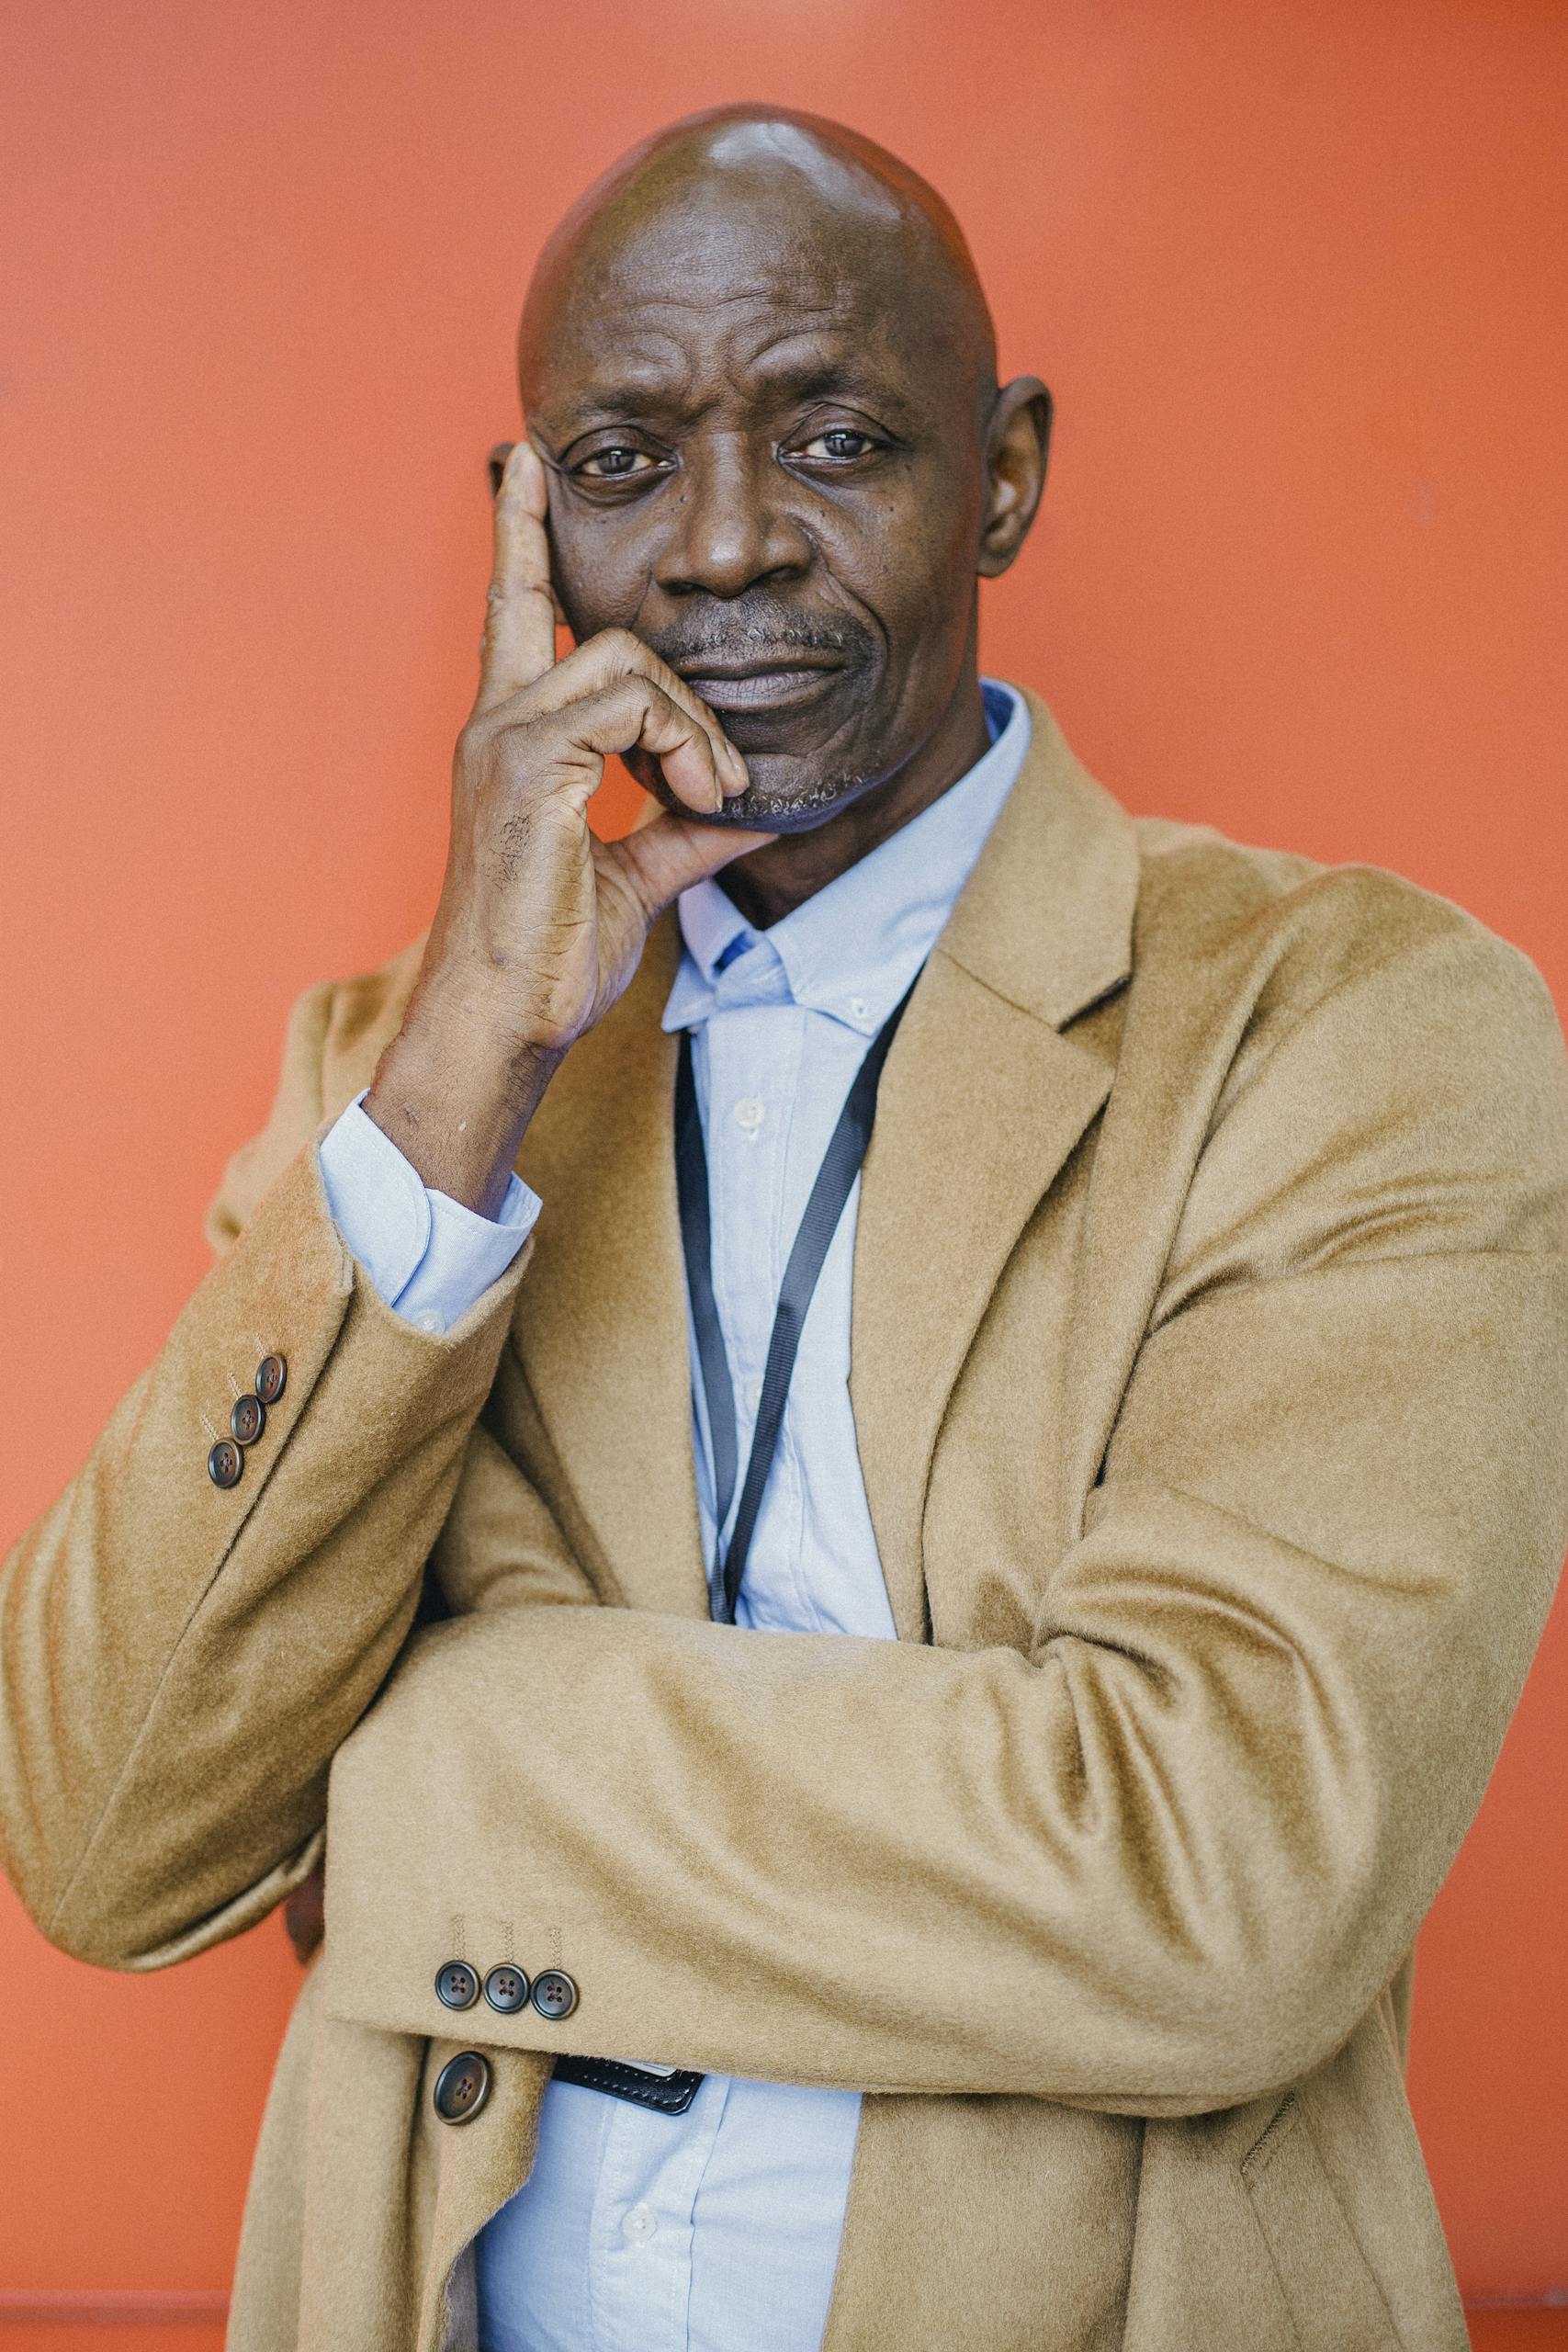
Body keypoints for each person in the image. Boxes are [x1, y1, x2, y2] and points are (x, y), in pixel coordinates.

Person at [3, 102, 1565, 2352]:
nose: (724, 548)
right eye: (625, 462)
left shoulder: (1343, 1027)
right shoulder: (402, 1081)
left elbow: (1221, 1875)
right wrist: (463, 1059)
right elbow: (109, 1821)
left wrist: (423, 1758)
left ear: (1003, 472)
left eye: (831, 437)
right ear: (525, 527)